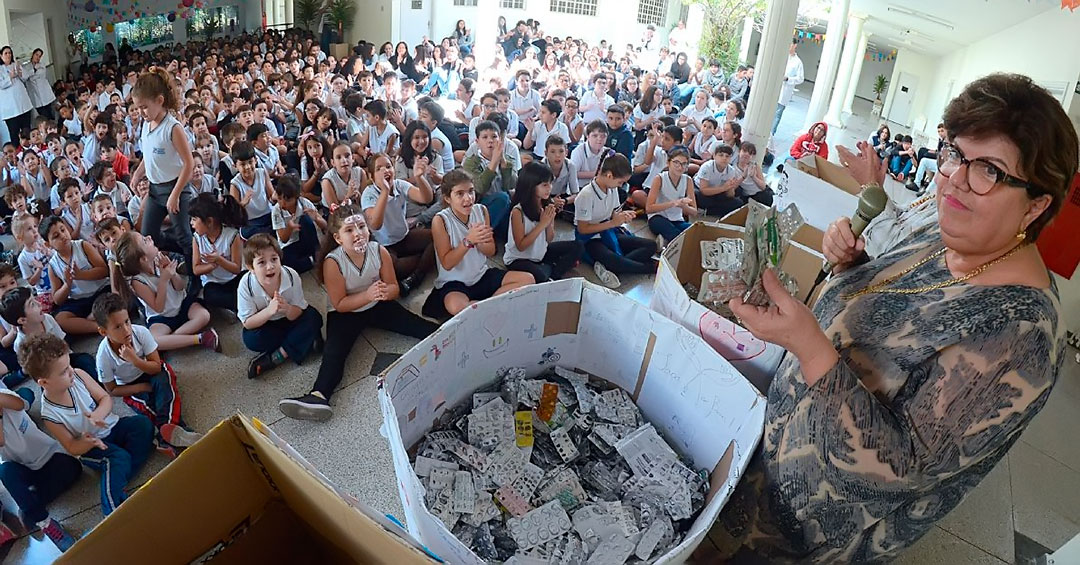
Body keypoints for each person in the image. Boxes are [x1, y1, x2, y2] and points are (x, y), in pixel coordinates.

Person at [699, 72, 1077, 563]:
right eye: (955, 154)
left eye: (989, 170)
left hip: (804, 532)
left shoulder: (1019, 335)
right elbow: (892, 313)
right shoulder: (949, 234)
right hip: (765, 462)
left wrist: (810, 345)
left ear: (1037, 205)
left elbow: (894, 473)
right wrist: (850, 267)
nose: (955, 179)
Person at [279, 205, 438, 421]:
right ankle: (318, 395)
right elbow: (340, 302)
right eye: (349, 230)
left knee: (416, 325)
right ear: (338, 238)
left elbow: (394, 287)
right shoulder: (333, 262)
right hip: (345, 312)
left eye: (361, 227)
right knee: (335, 353)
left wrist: (385, 292)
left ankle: (450, 333)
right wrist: (368, 295)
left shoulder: (378, 250)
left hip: (377, 303)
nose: (357, 234)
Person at [27, 332, 153, 517]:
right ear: (44, 382)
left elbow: (105, 398)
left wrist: (98, 415)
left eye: (69, 364)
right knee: (118, 458)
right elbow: (71, 446)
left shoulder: (78, 374)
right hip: (92, 447)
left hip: (112, 427)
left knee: (143, 425)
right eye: (63, 371)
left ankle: (116, 477)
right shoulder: (49, 414)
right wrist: (88, 442)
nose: (70, 370)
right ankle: (112, 512)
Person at [91, 292, 202, 452]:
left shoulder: (141, 332)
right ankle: (177, 431)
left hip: (150, 370)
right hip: (130, 386)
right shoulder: (103, 356)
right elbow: (112, 390)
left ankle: (166, 432)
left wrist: (135, 360)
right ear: (103, 332)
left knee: (166, 377)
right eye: (118, 327)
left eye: (127, 321)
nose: (126, 329)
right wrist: (141, 388)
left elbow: (156, 366)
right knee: (149, 407)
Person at [429, 169, 534, 317]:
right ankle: (489, 307)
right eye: (460, 194)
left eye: (471, 191)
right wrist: (468, 241)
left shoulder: (481, 210)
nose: (468, 198)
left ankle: (485, 306)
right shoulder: (440, 220)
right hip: (454, 282)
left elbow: (491, 251)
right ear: (447, 198)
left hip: (481, 274)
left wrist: (480, 241)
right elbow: (446, 263)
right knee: (456, 306)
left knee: (528, 279)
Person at [0, 381, 81, 551]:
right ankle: (46, 523)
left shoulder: (5, 396)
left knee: (73, 468)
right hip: (23, 469)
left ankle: (29, 506)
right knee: (5, 471)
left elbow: (20, 403)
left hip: (49, 457)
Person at [109, 231, 219, 352]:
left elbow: (180, 287)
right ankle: (200, 338)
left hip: (182, 304)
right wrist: (164, 280)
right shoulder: (137, 281)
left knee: (204, 316)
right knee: (154, 340)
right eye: (145, 241)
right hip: (161, 318)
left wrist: (173, 274)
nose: (149, 237)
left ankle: (173, 340)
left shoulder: (159, 259)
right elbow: (159, 308)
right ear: (144, 258)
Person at [128, 68, 196, 261]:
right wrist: (137, 174)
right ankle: (183, 254)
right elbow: (148, 156)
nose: (141, 113)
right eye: (137, 108)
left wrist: (175, 195)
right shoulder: (147, 124)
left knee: (183, 235)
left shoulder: (172, 128)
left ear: (159, 100)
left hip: (176, 188)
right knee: (148, 236)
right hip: (155, 190)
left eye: (144, 107)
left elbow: (189, 164)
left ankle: (194, 272)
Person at [238, 234, 324, 379]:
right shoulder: (245, 285)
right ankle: (304, 342)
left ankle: (277, 356)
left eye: (274, 259)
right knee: (251, 339)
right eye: (261, 263)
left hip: (290, 319)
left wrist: (288, 309)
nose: (270, 266)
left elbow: (299, 310)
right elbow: (248, 323)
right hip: (267, 323)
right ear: (250, 268)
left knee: (314, 317)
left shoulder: (291, 275)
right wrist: (269, 311)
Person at [575, 154, 656, 289]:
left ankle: (617, 265)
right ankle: (651, 267)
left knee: (650, 245)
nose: (621, 185)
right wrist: (612, 223)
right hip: (591, 239)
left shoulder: (611, 189)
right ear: (609, 176)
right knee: (616, 261)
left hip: (607, 231)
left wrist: (622, 216)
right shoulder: (586, 195)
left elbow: (613, 213)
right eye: (620, 182)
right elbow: (582, 229)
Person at [361, 153, 435, 296]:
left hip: (404, 236)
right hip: (385, 245)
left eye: (388, 166)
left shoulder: (400, 185)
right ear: (371, 176)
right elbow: (375, 224)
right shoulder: (368, 194)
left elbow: (426, 198)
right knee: (393, 269)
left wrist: (419, 177)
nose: (385, 171)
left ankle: (415, 277)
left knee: (437, 237)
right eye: (379, 169)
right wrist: (384, 191)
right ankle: (425, 260)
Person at [505, 162, 584, 283]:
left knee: (578, 246)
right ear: (531, 186)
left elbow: (549, 238)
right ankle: (550, 270)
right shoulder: (518, 211)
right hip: (519, 258)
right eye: (544, 185)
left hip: (540, 253)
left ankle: (552, 273)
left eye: (550, 184)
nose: (550, 188)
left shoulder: (546, 204)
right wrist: (542, 224)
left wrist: (549, 222)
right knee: (541, 276)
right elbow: (521, 246)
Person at [43, 216, 109, 336]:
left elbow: (104, 271)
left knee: (112, 300)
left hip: (101, 291)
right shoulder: (53, 266)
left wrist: (81, 275)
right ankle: (98, 327)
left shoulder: (83, 246)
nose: (63, 236)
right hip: (80, 299)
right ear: (48, 244)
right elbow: (57, 299)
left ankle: (93, 318)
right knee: (60, 319)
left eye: (63, 230)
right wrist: (67, 284)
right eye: (56, 236)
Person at [190, 193, 246, 313]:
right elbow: (196, 269)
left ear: (209, 221)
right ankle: (239, 305)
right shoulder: (197, 238)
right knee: (210, 295)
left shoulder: (232, 235)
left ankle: (237, 305)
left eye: (194, 219)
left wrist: (219, 260)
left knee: (249, 278)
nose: (191, 223)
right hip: (213, 283)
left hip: (232, 279)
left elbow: (236, 268)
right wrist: (211, 265)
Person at [461, 119, 515, 235]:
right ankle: (481, 235)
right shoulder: (471, 162)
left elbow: (511, 185)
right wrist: (493, 163)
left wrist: (503, 163)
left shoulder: (506, 160)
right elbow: (480, 188)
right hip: (481, 205)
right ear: (477, 141)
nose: (490, 141)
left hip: (503, 206)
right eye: (485, 137)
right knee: (502, 197)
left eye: (494, 137)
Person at [645, 146, 697, 242]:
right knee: (675, 235)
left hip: (677, 219)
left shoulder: (688, 180)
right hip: (658, 217)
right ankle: (665, 243)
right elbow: (649, 208)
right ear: (668, 162)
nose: (680, 167)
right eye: (676, 163)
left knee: (695, 232)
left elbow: (694, 211)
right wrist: (674, 203)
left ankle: (664, 240)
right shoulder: (659, 179)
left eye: (684, 164)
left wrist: (683, 206)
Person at [228, 141, 274, 239]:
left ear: (256, 160)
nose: (248, 167)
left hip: (268, 215)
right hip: (251, 222)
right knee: (250, 233)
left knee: (279, 224)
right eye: (243, 164)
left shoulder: (262, 173)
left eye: (250, 162)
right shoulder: (235, 184)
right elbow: (234, 213)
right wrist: (243, 203)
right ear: (235, 166)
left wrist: (277, 196)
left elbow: (271, 196)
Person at [694, 144, 743, 217]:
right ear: (714, 156)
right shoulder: (707, 167)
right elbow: (703, 190)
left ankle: (708, 211)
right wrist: (724, 188)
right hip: (701, 190)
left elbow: (730, 195)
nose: (724, 158)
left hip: (718, 190)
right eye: (721, 155)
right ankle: (711, 210)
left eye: (727, 156)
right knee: (702, 198)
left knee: (738, 202)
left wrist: (731, 188)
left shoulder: (731, 170)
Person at [0, 46, 33, 141]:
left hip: (23, 105)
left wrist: (20, 72)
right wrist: (10, 77)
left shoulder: (16, 64)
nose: (8, 55)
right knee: (14, 134)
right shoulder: (0, 69)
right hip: (10, 110)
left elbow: (25, 77)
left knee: (27, 131)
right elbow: (1, 84)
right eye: (5, 53)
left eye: (10, 53)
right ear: (1, 56)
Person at [773, 39, 804, 135]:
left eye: (790, 44)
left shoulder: (798, 62)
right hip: (774, 89)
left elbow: (800, 78)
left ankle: (771, 134)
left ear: (795, 45)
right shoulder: (781, 57)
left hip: (785, 91)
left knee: (777, 113)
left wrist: (788, 79)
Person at [23, 49, 56, 120]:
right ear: (33, 54)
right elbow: (25, 77)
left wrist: (31, 74)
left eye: (40, 56)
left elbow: (36, 76)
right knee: (43, 116)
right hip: (35, 96)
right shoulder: (26, 67)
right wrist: (33, 71)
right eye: (36, 55)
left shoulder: (42, 65)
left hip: (46, 95)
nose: (38, 57)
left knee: (50, 115)